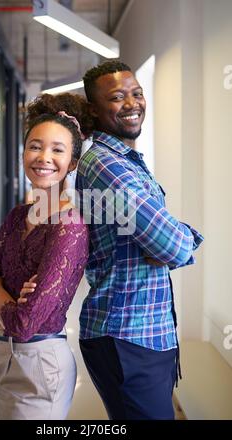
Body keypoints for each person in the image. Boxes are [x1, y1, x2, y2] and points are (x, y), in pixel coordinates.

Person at [75, 60, 204, 420]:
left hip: (146, 332)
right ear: (93, 110)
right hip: (128, 335)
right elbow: (172, 247)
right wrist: (183, 234)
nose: (132, 104)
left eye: (137, 93)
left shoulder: (129, 161)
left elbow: (163, 236)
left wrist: (166, 231)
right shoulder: (107, 166)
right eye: (117, 97)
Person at [0, 92, 93, 420]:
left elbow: (24, 325)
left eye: (57, 149)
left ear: (74, 162)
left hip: (38, 367)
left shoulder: (70, 227)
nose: (43, 157)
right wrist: (0, 294)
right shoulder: (16, 216)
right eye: (35, 146)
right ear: (24, 151)